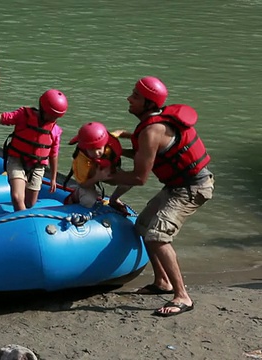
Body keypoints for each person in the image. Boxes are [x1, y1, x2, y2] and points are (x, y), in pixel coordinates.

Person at [103, 76, 214, 317]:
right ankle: (162, 281)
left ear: (150, 104)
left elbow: (139, 178)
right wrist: (113, 196)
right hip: (177, 185)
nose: (129, 99)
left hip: (192, 188)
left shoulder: (152, 130)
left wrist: (104, 178)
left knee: (157, 236)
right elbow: (147, 157)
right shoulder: (151, 127)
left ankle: (182, 296)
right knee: (142, 226)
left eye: (135, 96)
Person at [0, 89, 67, 211]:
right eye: (51, 115)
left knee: (29, 203)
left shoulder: (55, 131)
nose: (53, 119)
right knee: (17, 197)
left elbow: (53, 155)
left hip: (37, 166)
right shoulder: (23, 115)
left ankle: (24, 193)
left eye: (56, 117)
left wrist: (53, 178)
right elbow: (0, 119)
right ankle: (23, 222)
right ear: (43, 109)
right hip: (17, 160)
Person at [65, 122, 127, 210]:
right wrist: (97, 177)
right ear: (85, 147)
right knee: (88, 201)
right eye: (91, 149)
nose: (96, 153)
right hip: (89, 178)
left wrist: (135, 137)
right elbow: (83, 184)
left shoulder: (107, 140)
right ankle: (74, 196)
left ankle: (114, 199)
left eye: (99, 148)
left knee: (131, 180)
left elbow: (119, 133)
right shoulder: (82, 161)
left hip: (107, 172)